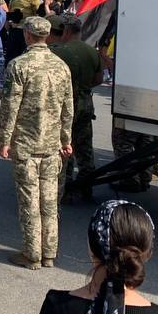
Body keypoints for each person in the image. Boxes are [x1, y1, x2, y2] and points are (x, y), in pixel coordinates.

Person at [0, 15, 74, 269]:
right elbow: (68, 108)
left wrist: (4, 140)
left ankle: (32, 253)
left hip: (26, 144)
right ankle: (49, 253)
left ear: (27, 35)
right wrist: (66, 139)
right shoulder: (61, 66)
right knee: (50, 201)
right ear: (46, 35)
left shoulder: (19, 65)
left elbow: (10, 105)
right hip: (52, 145)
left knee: (30, 201)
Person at [50, 14, 103, 197]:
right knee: (85, 146)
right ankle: (87, 187)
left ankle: (66, 190)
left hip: (67, 104)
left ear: (65, 31)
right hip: (86, 104)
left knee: (66, 146)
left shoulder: (60, 52)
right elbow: (99, 79)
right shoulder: (92, 51)